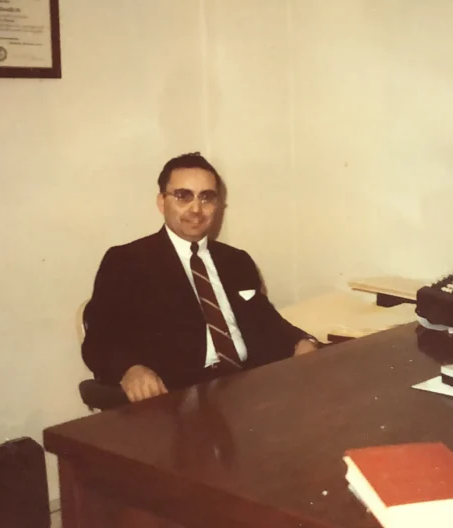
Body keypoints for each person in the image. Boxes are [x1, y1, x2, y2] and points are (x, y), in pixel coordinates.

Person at [82, 152, 319, 402]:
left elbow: (266, 320)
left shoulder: (236, 260)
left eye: (206, 198)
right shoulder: (127, 261)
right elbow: (99, 339)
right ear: (162, 203)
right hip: (177, 399)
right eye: (183, 196)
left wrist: (301, 341)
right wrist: (130, 369)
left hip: (246, 388)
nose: (196, 209)